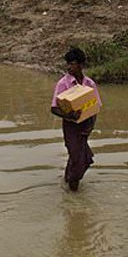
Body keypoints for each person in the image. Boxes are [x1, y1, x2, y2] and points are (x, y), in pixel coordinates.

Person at [50, 48, 101, 192]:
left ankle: (68, 180)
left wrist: (90, 127)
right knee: (78, 158)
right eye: (68, 64)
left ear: (80, 65)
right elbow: (54, 108)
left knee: (78, 157)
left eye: (72, 64)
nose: (68, 67)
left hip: (85, 126)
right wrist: (70, 116)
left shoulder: (89, 84)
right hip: (71, 127)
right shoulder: (63, 84)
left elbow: (95, 108)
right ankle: (73, 193)